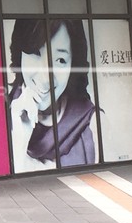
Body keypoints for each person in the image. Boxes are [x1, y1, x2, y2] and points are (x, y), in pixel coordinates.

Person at [7, 18, 97, 170]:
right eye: (36, 53)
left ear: (73, 65)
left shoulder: (92, 123)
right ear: (20, 53)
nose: (45, 78)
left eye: (60, 60)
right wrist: (19, 139)